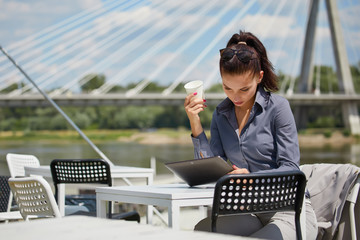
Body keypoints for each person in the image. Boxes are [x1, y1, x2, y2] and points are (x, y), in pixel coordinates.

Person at [184, 31, 318, 239]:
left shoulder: (278, 108)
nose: (235, 97)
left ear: (259, 77)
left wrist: (252, 178)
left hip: (289, 210)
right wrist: (195, 121)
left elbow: (290, 168)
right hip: (246, 209)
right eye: (227, 88)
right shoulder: (221, 113)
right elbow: (211, 167)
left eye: (244, 89)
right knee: (202, 232)